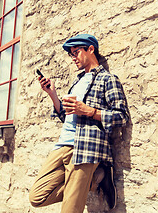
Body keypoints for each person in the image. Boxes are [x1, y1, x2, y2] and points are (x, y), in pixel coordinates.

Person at [29, 34, 129, 213]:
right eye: (71, 55)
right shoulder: (77, 82)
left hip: (85, 148)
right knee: (37, 196)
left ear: (91, 49)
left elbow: (121, 116)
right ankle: (97, 178)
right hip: (62, 145)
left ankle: (89, 179)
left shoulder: (108, 79)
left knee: (70, 210)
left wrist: (88, 111)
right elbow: (66, 115)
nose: (73, 58)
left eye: (76, 52)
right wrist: (52, 94)